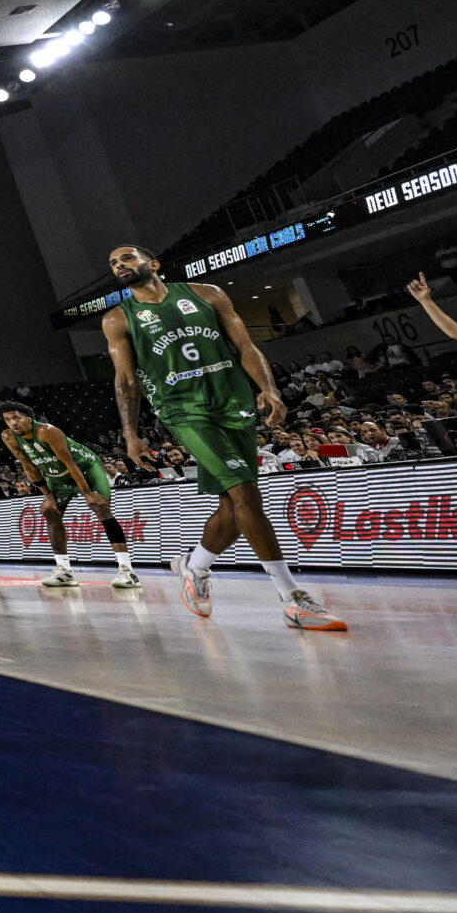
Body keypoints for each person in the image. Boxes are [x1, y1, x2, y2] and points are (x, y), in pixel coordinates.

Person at [102, 245, 343, 630]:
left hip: (234, 402)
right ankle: (292, 597)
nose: (119, 266)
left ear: (154, 264)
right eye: (114, 264)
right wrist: (130, 433)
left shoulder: (207, 293)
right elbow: (126, 379)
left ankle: (194, 567)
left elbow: (245, 346)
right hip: (184, 411)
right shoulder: (118, 318)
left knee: (233, 507)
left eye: (127, 258)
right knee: (247, 494)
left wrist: (269, 388)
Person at [0, 402, 139, 589]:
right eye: (8, 420)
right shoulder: (9, 437)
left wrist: (87, 493)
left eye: (17, 418)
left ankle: (127, 571)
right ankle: (64, 571)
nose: (13, 423)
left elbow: (70, 463)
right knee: (51, 512)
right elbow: (28, 466)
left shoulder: (47, 431)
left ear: (29, 419)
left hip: (85, 467)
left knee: (100, 507)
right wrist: (47, 495)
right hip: (58, 476)